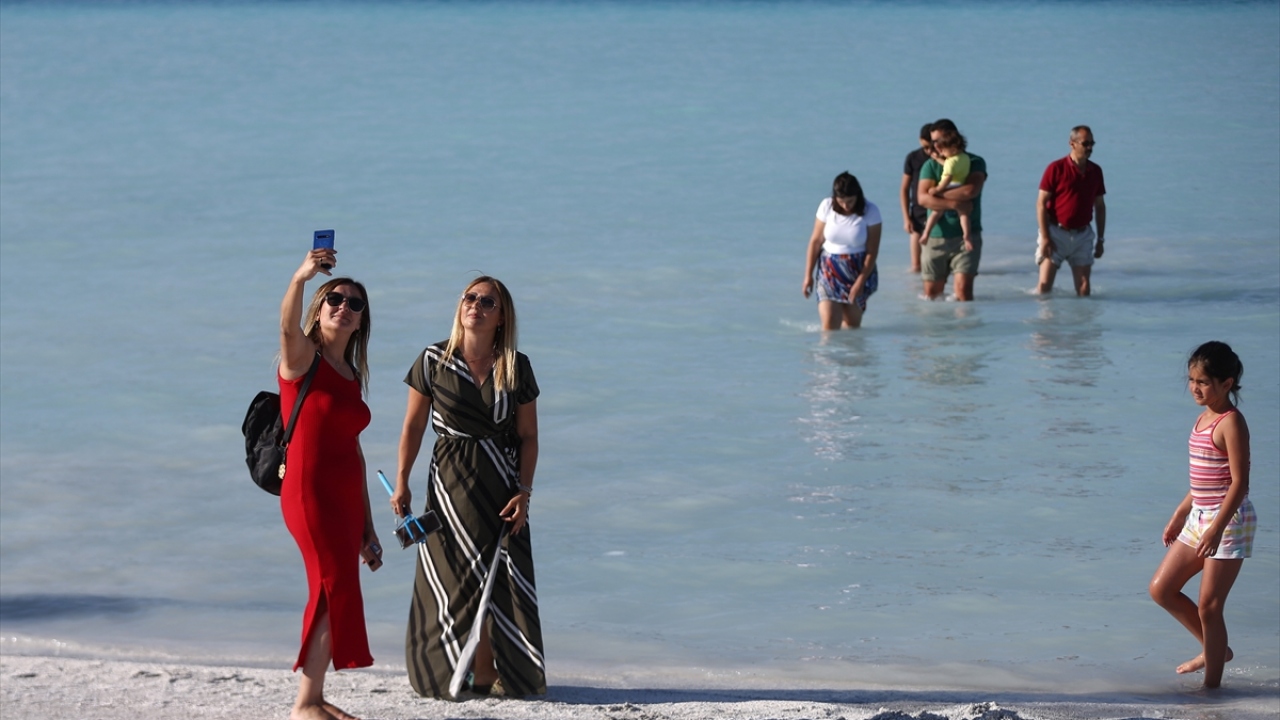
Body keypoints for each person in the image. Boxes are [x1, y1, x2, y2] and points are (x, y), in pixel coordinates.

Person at [392, 276, 546, 699]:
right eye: (470, 298)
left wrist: (525, 491)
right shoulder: (433, 359)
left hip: (502, 485)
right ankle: (441, 673)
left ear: (502, 317)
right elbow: (413, 426)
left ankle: (490, 671)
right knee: (449, 579)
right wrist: (402, 481)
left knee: (501, 578)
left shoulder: (516, 365)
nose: (475, 305)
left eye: (487, 302)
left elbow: (529, 435)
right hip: (449, 484)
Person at [278, 247, 382, 720]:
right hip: (309, 492)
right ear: (318, 311)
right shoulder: (303, 359)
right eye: (335, 300)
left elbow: (354, 451)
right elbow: (286, 329)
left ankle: (315, 696)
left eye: (354, 304)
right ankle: (305, 704)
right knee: (329, 583)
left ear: (361, 322)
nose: (344, 307)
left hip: (344, 498)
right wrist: (300, 278)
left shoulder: (351, 376)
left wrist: (367, 525)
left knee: (338, 587)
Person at [1149, 341, 1254, 689]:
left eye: (1203, 382)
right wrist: (1180, 513)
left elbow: (1239, 483)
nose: (1195, 388)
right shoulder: (1202, 419)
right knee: (1162, 590)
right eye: (1192, 380)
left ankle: (1211, 689)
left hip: (1229, 520)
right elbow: (1202, 479)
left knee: (1210, 606)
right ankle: (1217, 651)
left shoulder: (1231, 422)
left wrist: (1216, 529)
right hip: (1199, 517)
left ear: (1227, 383)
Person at [916, 119, 987, 301]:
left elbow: (970, 191)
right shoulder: (931, 165)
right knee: (932, 295)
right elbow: (923, 199)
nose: (935, 146)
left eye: (938, 141)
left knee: (963, 293)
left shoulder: (974, 162)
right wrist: (954, 204)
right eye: (933, 142)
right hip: (936, 237)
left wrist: (938, 195)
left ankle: (965, 320)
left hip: (966, 236)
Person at [802, 172, 882, 330]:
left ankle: (846, 349)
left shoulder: (871, 211)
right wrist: (808, 276)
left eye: (850, 201)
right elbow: (815, 242)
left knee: (852, 327)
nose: (846, 206)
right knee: (830, 324)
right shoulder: (826, 206)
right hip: (829, 270)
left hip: (857, 270)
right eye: (841, 201)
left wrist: (860, 282)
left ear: (858, 195)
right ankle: (826, 347)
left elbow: (872, 251)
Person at [1036, 125, 1107, 296]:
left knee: (1084, 290)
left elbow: (1100, 206)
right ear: (1072, 143)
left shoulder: (1095, 171)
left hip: (1083, 234)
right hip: (1055, 232)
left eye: (1092, 143)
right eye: (1085, 143)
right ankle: (1043, 314)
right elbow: (1041, 204)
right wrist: (1045, 237)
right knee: (1044, 287)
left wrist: (1100, 239)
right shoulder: (1056, 168)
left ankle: (1082, 314)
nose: (1089, 148)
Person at [917, 132, 972, 249]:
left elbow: (948, 177)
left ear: (953, 149)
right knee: (963, 214)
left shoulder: (951, 162)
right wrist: (938, 159)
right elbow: (949, 165)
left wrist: (937, 189)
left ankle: (926, 233)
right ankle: (966, 236)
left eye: (943, 150)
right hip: (960, 186)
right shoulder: (964, 158)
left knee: (936, 212)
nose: (941, 152)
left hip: (949, 186)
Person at [899, 123, 934, 273]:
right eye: (926, 147)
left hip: (937, 209)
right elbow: (904, 188)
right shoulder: (913, 158)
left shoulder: (943, 158)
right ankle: (915, 283)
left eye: (932, 147)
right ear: (920, 140)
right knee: (916, 267)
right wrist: (906, 218)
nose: (929, 151)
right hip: (918, 212)